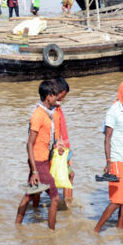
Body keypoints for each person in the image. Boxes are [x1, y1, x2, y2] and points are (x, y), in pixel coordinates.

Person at [16, 80, 62, 230]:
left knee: (30, 193)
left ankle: (17, 226)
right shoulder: (38, 115)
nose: (57, 98)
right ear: (48, 97)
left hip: (41, 160)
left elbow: (45, 138)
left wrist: (56, 145)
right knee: (55, 198)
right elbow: (29, 143)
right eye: (55, 95)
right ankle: (52, 233)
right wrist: (35, 170)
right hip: (39, 162)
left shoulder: (47, 114)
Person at [94, 80, 123, 232]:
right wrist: (108, 162)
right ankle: (96, 230)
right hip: (117, 161)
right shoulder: (114, 110)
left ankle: (120, 230)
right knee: (117, 201)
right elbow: (107, 138)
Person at [53, 77, 74, 205]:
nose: (63, 99)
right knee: (69, 176)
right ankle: (68, 205)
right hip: (58, 150)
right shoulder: (53, 111)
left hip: (62, 149)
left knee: (68, 176)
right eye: (62, 96)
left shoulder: (57, 109)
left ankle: (67, 203)